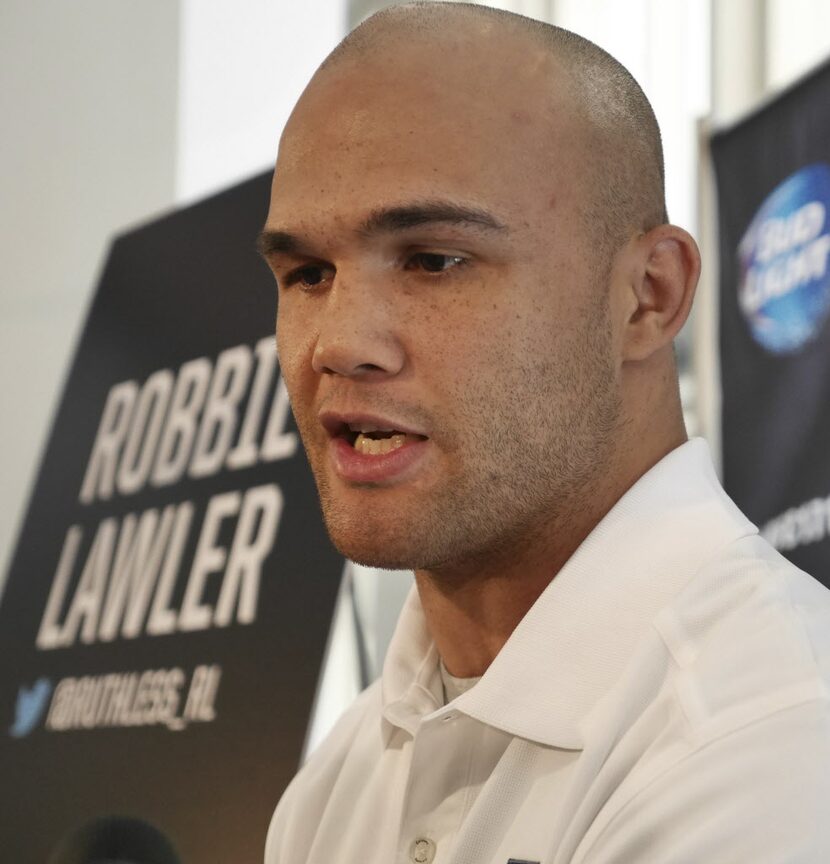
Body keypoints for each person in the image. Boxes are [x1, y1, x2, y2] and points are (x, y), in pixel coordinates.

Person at [258, 3, 830, 861]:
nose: (339, 343)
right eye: (307, 273)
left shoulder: (771, 738)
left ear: (649, 296)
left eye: (433, 260)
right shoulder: (332, 789)